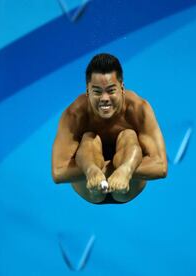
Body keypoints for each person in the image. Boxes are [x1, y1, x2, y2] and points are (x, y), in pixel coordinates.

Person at [52, 53, 167, 204]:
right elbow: (58, 172)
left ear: (122, 88)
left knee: (128, 135)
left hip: (127, 187)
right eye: (97, 92)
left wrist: (126, 170)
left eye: (111, 90)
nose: (104, 98)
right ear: (88, 91)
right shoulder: (75, 115)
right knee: (89, 139)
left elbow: (161, 166)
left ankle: (122, 170)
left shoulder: (138, 109)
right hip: (91, 190)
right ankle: (93, 171)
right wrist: (91, 170)